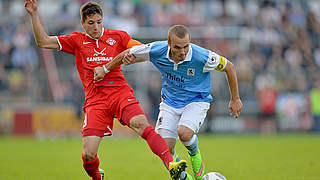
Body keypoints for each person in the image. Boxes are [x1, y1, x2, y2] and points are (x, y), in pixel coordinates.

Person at [24, 1, 187, 180]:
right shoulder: (76, 40)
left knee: (141, 124)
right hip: (96, 100)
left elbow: (139, 49)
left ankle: (171, 164)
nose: (96, 27)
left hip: (120, 93)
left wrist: (135, 55)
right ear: (83, 23)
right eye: (91, 23)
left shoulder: (117, 36)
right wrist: (33, 14)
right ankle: (97, 176)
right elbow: (43, 41)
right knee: (88, 154)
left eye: (99, 21)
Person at [94, 25, 243, 180]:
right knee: (164, 148)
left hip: (196, 100)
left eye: (186, 46)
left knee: (184, 133)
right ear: (169, 44)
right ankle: (187, 178)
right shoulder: (157, 50)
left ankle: (194, 152)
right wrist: (105, 69)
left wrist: (235, 99)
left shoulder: (201, 56)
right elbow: (128, 53)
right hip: (169, 102)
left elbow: (229, 67)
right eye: (178, 47)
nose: (183, 51)